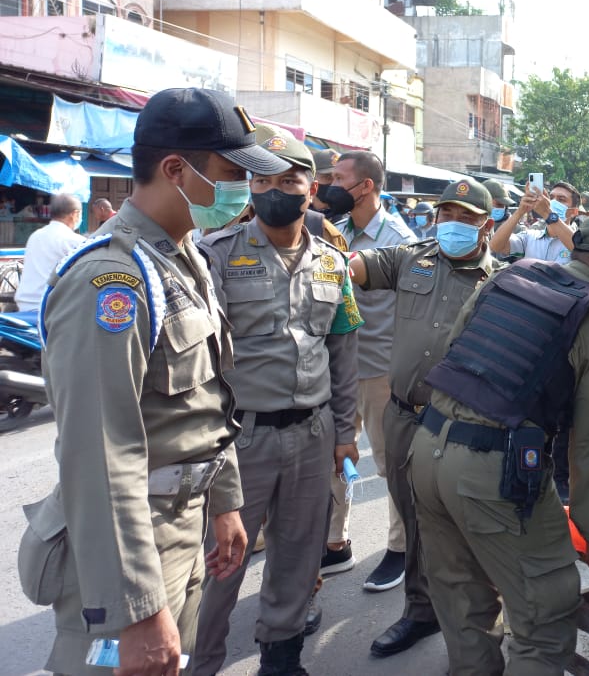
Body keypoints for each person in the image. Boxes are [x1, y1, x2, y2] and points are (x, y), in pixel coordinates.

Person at [18, 87, 287, 676]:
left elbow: (211, 400)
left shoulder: (183, 260)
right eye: (230, 173)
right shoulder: (113, 279)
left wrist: (224, 502)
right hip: (130, 544)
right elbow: (100, 454)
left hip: (184, 526)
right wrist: (136, 609)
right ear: (175, 170)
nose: (243, 191)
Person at [408, 210, 589, 673]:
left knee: (463, 601)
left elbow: (454, 356)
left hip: (427, 449)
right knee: (545, 617)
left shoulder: (508, 278)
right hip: (492, 474)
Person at [192, 131, 362, 676]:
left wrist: (344, 431)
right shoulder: (216, 256)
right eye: (262, 180)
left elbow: (343, 352)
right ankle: (203, 662)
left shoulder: (334, 264)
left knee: (298, 551)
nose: (274, 190)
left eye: (288, 180)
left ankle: (281, 658)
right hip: (242, 438)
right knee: (224, 561)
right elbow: (201, 364)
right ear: (249, 187)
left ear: (311, 190)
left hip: (312, 435)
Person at [346, 177, 502, 658]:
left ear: (486, 225)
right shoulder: (410, 258)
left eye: (466, 218)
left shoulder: (500, 283)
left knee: (460, 524)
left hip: (456, 428)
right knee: (412, 518)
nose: (452, 225)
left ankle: (476, 624)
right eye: (446, 215)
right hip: (401, 416)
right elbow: (354, 267)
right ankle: (420, 611)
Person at [324, 151, 416, 590]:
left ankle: (399, 549)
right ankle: (335, 543)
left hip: (381, 369)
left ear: (366, 187)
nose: (330, 183)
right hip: (338, 367)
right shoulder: (336, 231)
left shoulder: (398, 239)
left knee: (389, 463)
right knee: (334, 456)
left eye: (339, 178)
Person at [14, 193, 85, 311]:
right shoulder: (75, 241)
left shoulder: (35, 235)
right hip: (51, 308)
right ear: (74, 214)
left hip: (25, 305)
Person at [491, 179, 580, 263]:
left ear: (574, 212)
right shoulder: (530, 236)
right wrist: (520, 211)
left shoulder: (580, 241)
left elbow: (579, 250)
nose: (553, 202)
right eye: (551, 198)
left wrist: (547, 214)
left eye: (561, 199)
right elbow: (495, 246)